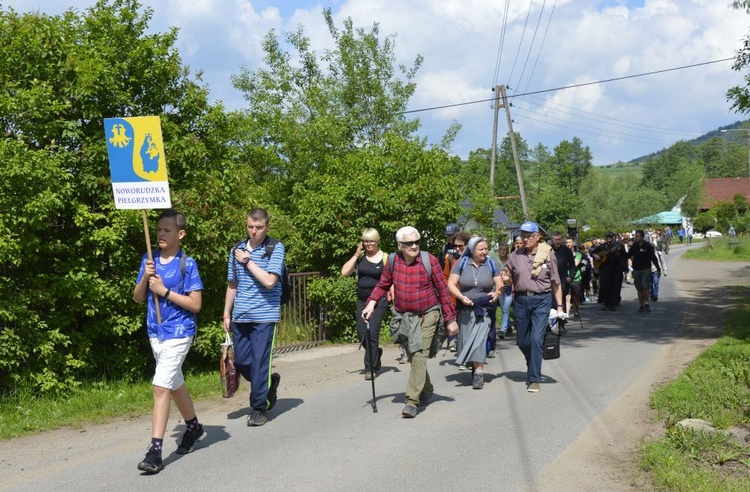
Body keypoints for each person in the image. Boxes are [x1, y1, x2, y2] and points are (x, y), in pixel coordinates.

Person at [133, 209, 204, 474]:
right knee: (174, 384)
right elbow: (139, 297)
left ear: (180, 234)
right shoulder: (148, 259)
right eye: (159, 229)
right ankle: (194, 427)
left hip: (179, 332)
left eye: (167, 230)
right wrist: (146, 277)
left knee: (160, 386)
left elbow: (195, 304)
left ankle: (155, 452)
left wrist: (165, 291)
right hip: (156, 333)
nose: (161, 234)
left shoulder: (188, 263)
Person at [362, 226, 458, 418]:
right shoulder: (392, 261)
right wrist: (371, 304)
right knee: (414, 356)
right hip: (405, 316)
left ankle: (411, 401)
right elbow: (383, 285)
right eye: (409, 243)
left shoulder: (429, 260)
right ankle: (427, 388)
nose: (414, 246)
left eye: (416, 242)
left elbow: (442, 291)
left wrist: (450, 320)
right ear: (400, 246)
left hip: (429, 314)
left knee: (420, 354)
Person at [223, 208, 283, 427]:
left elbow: (269, 281)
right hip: (240, 316)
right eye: (250, 227)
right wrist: (226, 313)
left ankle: (259, 408)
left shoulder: (275, 248)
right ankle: (267, 384)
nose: (254, 231)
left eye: (258, 227)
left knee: (259, 362)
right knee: (241, 361)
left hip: (265, 315)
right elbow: (232, 284)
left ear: (267, 226)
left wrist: (248, 261)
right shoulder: (236, 249)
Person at [500, 222, 563, 393]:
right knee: (522, 341)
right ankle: (532, 363)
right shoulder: (515, 256)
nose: (525, 239)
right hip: (520, 300)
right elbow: (508, 276)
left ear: (537, 237)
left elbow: (556, 282)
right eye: (523, 235)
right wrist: (505, 279)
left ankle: (534, 378)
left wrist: (559, 306)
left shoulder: (548, 255)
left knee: (536, 339)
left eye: (529, 236)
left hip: (541, 300)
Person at [447, 236, 503, 389]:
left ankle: (479, 372)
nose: (485, 252)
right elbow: (451, 284)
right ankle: (473, 366)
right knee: (467, 340)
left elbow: (499, 283)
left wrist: (497, 293)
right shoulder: (462, 263)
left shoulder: (491, 263)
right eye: (481, 249)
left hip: (484, 308)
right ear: (472, 250)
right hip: (465, 308)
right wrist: (460, 296)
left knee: (480, 338)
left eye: (486, 249)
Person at [341, 228, 388, 379]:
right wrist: (356, 253)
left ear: (377, 241)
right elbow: (345, 272)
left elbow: (390, 278)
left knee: (371, 332)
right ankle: (376, 353)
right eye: (366, 241)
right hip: (362, 300)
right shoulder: (361, 257)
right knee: (361, 332)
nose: (369, 244)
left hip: (379, 300)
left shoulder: (385, 257)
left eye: (371, 241)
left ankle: (370, 368)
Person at [623, 230, 661, 313]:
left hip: (646, 269)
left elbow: (653, 258)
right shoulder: (634, 246)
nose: (635, 238)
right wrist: (621, 250)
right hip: (636, 270)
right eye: (635, 236)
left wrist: (658, 268)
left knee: (645, 287)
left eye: (637, 236)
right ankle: (641, 305)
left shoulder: (648, 246)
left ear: (642, 237)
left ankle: (646, 303)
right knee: (639, 288)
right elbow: (628, 255)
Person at [443, 231, 469, 352]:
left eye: (461, 246)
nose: (458, 248)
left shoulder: (473, 259)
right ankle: (459, 348)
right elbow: (445, 277)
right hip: (454, 298)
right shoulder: (451, 258)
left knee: (467, 326)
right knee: (457, 324)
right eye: (455, 246)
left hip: (470, 297)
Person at [589, 232, 624, 311]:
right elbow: (592, 252)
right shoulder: (602, 246)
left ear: (614, 237)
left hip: (615, 269)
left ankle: (612, 304)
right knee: (604, 285)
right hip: (604, 269)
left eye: (610, 237)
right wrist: (595, 255)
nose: (608, 238)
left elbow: (624, 255)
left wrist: (618, 252)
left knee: (613, 286)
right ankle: (605, 302)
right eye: (607, 236)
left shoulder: (618, 245)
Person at [496, 243, 514, 338]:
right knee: (503, 309)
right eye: (501, 250)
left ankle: (503, 330)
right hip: (500, 287)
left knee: (506, 308)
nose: (502, 252)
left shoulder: (510, 261)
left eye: (504, 250)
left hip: (508, 288)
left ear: (507, 251)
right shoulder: (496, 262)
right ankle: (509, 327)